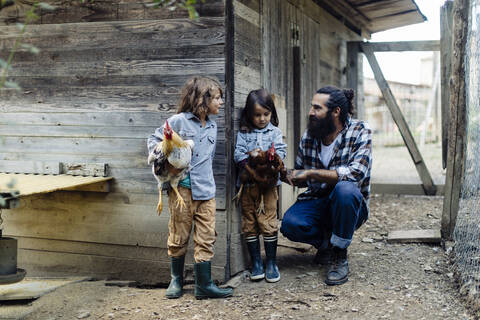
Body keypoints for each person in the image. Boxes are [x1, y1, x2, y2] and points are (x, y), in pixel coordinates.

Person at [147, 76, 233, 299]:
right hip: (181, 190)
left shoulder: (213, 126)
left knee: (206, 236)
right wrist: (166, 163)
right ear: (201, 100)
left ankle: (203, 285)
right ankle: (176, 279)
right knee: (179, 234)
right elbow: (153, 140)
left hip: (207, 191)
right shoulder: (178, 121)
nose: (220, 103)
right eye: (216, 98)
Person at [280, 85, 372, 286]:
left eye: (317, 108)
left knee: (345, 189)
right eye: (312, 107)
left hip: (351, 205)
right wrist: (282, 173)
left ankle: (339, 254)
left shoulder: (360, 131)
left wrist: (313, 173)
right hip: (317, 201)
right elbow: (302, 175)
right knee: (290, 224)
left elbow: (356, 174)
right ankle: (328, 245)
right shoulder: (310, 136)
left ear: (336, 112)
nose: (310, 112)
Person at [234, 88, 287, 283]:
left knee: (269, 222)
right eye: (257, 115)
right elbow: (238, 154)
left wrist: (271, 162)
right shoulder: (243, 133)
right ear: (249, 114)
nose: (262, 119)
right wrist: (250, 160)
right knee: (250, 223)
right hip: (248, 185)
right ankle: (256, 262)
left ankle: (271, 262)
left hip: (269, 187)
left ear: (271, 113)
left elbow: (281, 153)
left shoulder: (275, 132)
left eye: (266, 114)